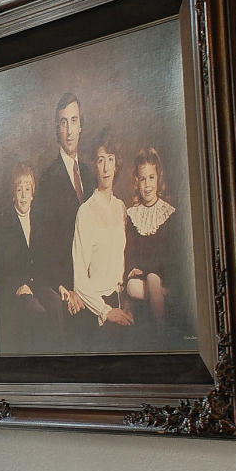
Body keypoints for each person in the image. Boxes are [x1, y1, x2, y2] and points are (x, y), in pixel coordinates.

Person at [0, 162, 68, 347]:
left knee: (56, 304)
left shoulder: (39, 221)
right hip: (17, 288)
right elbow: (1, 268)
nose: (24, 195)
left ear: (33, 193)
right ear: (13, 194)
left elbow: (47, 261)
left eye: (27, 189)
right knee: (37, 313)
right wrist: (17, 286)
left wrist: (58, 285)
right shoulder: (4, 224)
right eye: (19, 190)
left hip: (39, 282)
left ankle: (61, 356)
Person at [69, 138, 137, 338]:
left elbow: (125, 261)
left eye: (110, 159)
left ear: (117, 165)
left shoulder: (121, 208)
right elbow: (79, 280)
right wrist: (106, 312)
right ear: (94, 166)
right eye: (100, 160)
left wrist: (128, 304)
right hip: (97, 309)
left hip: (123, 301)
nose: (106, 167)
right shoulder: (86, 212)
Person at [122, 145, 181, 336]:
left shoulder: (168, 213)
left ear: (158, 178)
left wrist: (148, 269)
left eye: (151, 178)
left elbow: (169, 258)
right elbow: (131, 254)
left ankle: (160, 329)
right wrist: (141, 269)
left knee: (154, 278)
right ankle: (160, 300)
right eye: (142, 179)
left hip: (163, 278)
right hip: (139, 282)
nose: (147, 185)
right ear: (136, 181)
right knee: (133, 285)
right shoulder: (132, 215)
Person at [39, 92, 93, 216]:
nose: (69, 131)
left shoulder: (89, 175)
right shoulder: (47, 180)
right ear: (58, 129)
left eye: (74, 121)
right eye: (64, 123)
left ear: (80, 126)